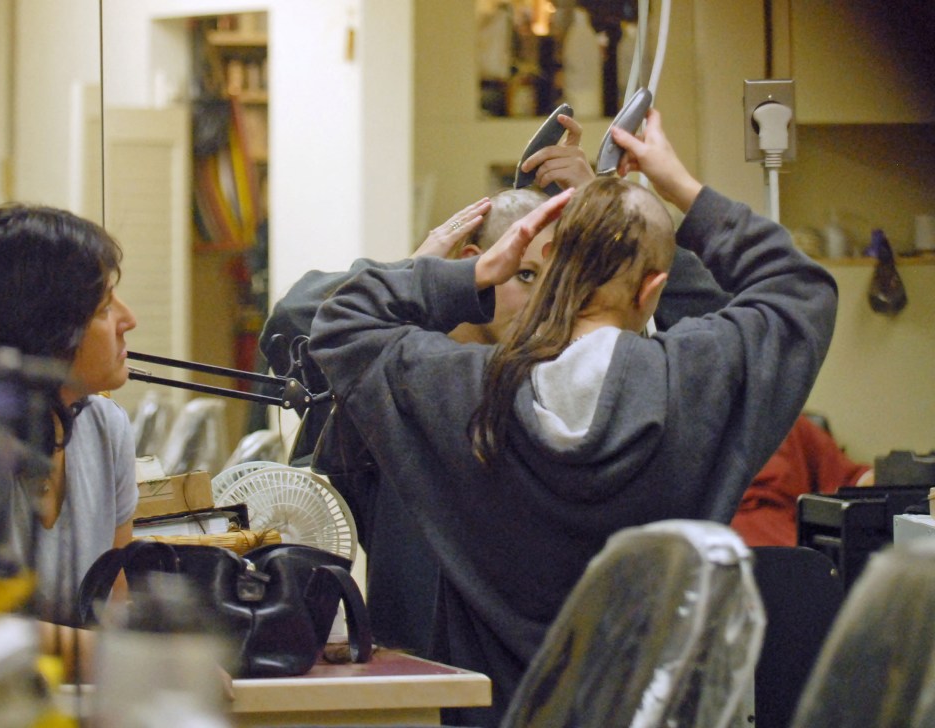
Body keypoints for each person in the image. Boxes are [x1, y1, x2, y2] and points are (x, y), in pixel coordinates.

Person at [307, 108, 838, 727]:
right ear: (651, 291)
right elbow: (801, 289)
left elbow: (341, 323)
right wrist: (676, 187)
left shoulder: (463, 393)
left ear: (551, 266)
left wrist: (474, 274)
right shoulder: (695, 380)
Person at [261, 118, 730, 660]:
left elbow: (713, 322)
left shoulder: (560, 381)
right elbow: (300, 317)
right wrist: (418, 270)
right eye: (525, 277)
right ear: (477, 265)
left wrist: (608, 200)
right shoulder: (414, 373)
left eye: (556, 283)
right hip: (417, 666)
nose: (543, 304)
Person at [0, 204, 138, 677]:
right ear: (45, 328)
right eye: (105, 307)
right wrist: (116, 661)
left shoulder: (107, 428)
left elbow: (113, 598)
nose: (129, 320)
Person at [732, 413, 874, 547]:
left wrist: (882, 481)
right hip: (725, 537)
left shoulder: (785, 418)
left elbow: (850, 477)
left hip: (791, 538)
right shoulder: (712, 422)